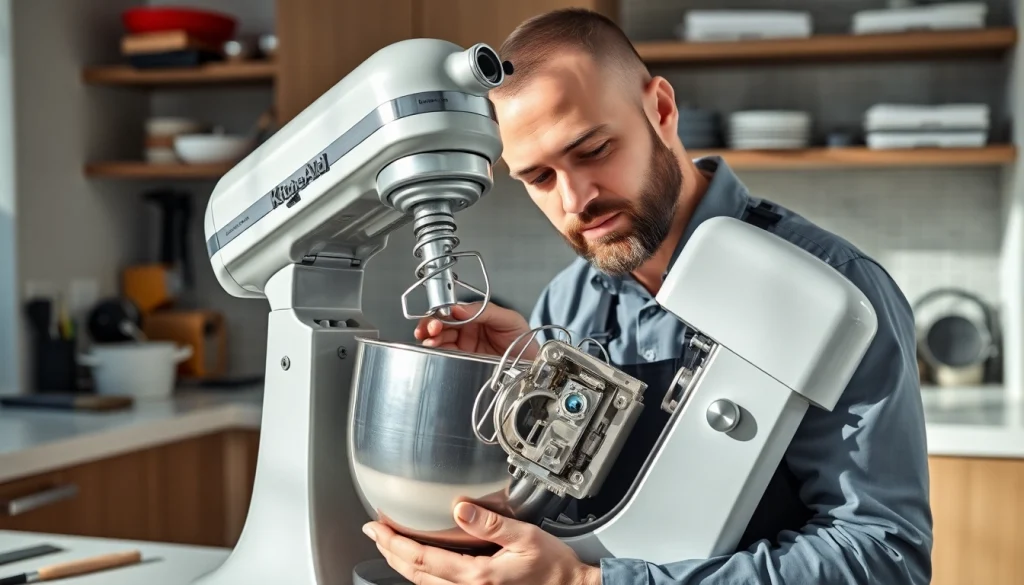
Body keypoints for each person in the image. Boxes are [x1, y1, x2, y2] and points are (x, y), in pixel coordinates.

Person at [361, 8, 933, 585]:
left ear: (660, 109)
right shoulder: (568, 303)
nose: (575, 200)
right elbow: (562, 528)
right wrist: (530, 394)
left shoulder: (835, 292)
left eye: (593, 150)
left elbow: (883, 558)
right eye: (539, 178)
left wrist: (586, 584)